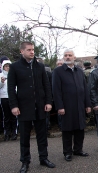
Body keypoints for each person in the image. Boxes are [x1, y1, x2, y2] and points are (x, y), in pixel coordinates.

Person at [8, 41, 55, 173]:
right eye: (29, 50)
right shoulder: (15, 67)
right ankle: (25, 161)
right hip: (23, 108)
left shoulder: (40, 66)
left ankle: (44, 158)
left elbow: (46, 85)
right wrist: (14, 105)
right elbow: (11, 88)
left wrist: (49, 102)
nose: (32, 52)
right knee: (24, 137)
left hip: (40, 107)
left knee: (42, 135)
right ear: (22, 51)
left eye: (33, 49)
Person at [52, 49, 91, 162]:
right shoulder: (58, 71)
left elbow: (85, 89)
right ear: (63, 58)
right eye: (65, 55)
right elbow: (56, 91)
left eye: (70, 55)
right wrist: (59, 106)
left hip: (80, 105)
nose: (68, 57)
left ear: (74, 57)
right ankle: (67, 152)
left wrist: (87, 104)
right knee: (67, 130)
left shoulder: (79, 71)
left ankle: (78, 149)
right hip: (66, 106)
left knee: (80, 128)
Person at [0, 60, 18, 141]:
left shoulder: (14, 74)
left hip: (13, 97)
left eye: (9, 66)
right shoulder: (0, 75)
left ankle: (15, 132)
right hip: (3, 97)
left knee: (14, 115)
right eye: (6, 66)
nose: (8, 68)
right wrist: (1, 82)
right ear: (3, 67)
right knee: (6, 116)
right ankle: (7, 133)